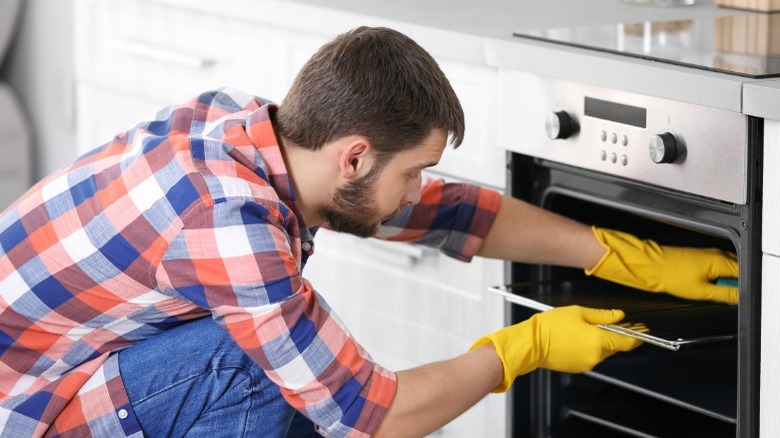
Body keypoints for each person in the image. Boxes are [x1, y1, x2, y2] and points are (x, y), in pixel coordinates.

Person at [0, 26, 738, 438]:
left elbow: (448, 211)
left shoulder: (248, 128)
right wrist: (524, 350)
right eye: (414, 168)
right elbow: (367, 416)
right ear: (354, 154)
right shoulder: (230, 226)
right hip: (25, 415)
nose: (420, 188)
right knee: (251, 367)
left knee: (283, 362)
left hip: (61, 371)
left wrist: (621, 255)